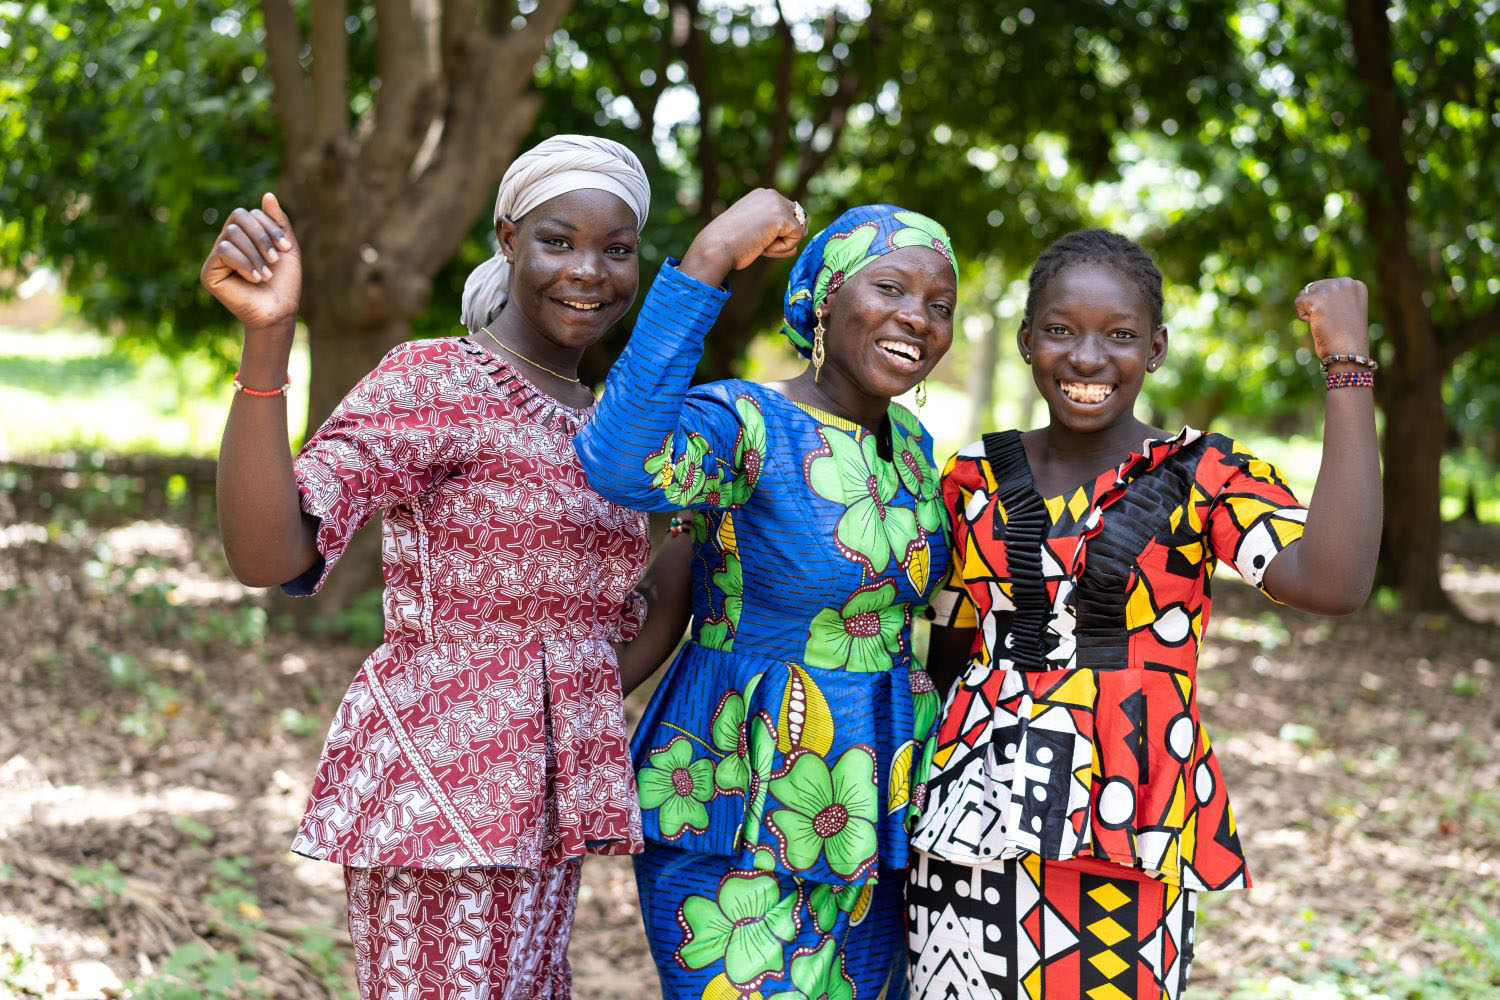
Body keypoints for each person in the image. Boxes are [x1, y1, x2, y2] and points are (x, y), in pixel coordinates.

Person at [203, 135, 688, 999]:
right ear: (507, 239)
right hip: (434, 805)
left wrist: (716, 520)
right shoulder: (438, 380)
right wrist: (269, 339)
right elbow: (269, 552)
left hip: (549, 814)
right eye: (559, 240)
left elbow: (608, 638)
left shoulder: (616, 427)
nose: (590, 270)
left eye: (617, 249)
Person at [905, 229, 1381, 999]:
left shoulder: (1206, 476)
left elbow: (1334, 583)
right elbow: (948, 648)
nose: (1088, 358)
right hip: (970, 824)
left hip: (1128, 830)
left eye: (1120, 336)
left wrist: (1347, 369)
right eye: (1060, 330)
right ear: (1027, 340)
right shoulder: (971, 479)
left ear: (1155, 349)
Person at [576, 194, 960, 998]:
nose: (917, 317)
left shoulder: (916, 449)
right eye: (889, 288)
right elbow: (619, 463)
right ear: (823, 299)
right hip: (737, 786)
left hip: (879, 792)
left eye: (939, 304)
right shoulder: (746, 421)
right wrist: (713, 253)